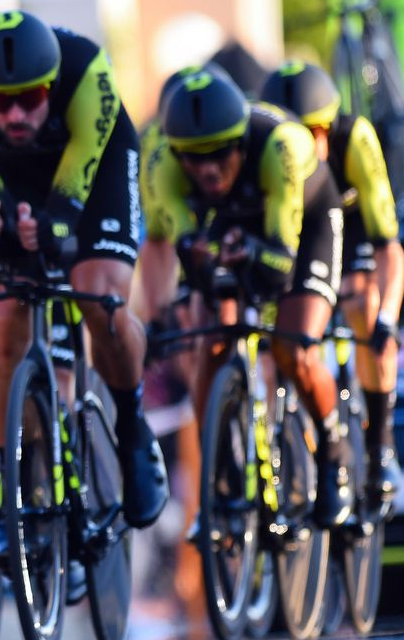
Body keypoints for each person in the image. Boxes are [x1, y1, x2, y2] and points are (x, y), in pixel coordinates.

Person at [0, 11, 169, 553]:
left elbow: (70, 200)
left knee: (102, 300)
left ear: (52, 85)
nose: (14, 113)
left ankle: (132, 430)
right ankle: (4, 485)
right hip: (10, 177)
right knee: (5, 319)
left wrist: (54, 226)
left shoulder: (87, 72)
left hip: (92, 168)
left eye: (30, 98)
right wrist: (0, 221)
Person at [140, 70, 354, 527]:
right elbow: (180, 253)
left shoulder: (280, 147)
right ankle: (217, 474)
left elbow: (279, 268)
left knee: (293, 348)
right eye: (193, 160)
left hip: (302, 221)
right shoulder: (161, 165)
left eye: (219, 155)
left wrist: (250, 254)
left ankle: (335, 453)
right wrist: (189, 279)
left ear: (239, 144)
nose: (209, 170)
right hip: (232, 225)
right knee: (210, 344)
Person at [260, 61, 404, 505]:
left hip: (353, 227)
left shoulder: (354, 140)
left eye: (314, 132)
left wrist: (385, 321)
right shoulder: (268, 155)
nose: (302, 144)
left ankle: (380, 442)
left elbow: (388, 248)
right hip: (297, 234)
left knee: (363, 303)